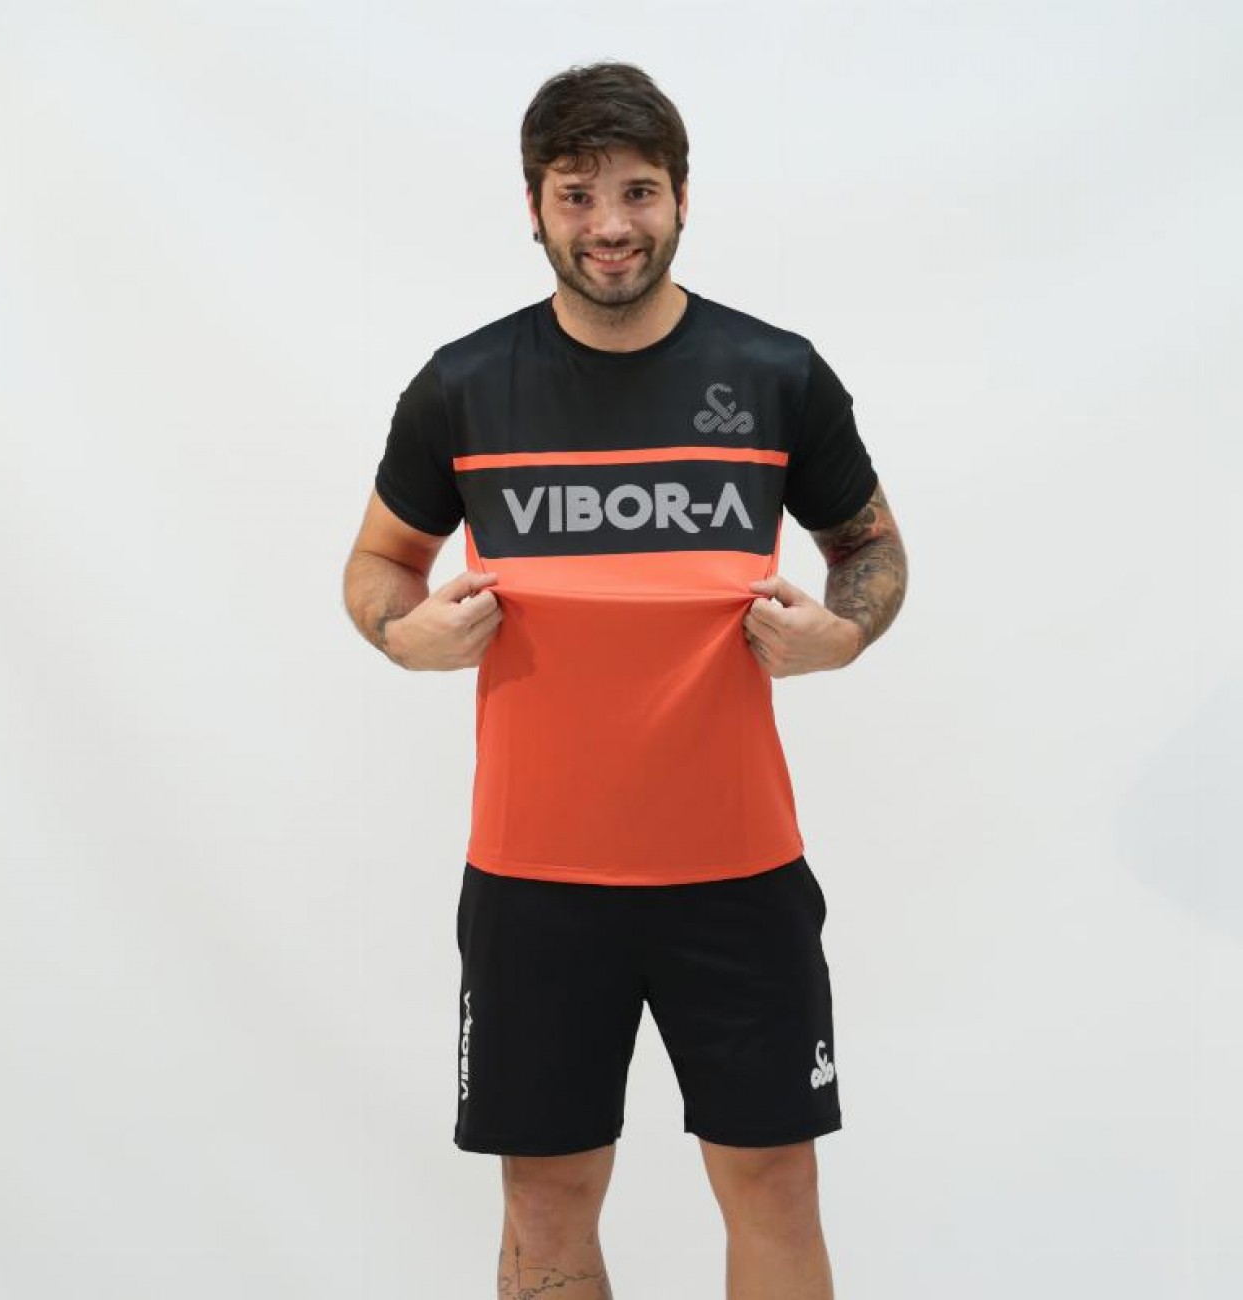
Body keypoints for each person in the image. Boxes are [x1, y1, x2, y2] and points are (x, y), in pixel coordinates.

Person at [343, 61, 907, 1300]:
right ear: (533, 207)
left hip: (739, 872)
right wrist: (401, 632)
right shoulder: (464, 386)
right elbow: (379, 564)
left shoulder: (775, 372)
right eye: (576, 193)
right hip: (535, 880)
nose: (609, 225)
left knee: (773, 1184)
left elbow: (869, 546)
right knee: (545, 1201)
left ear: (683, 197)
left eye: (637, 191)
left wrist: (847, 632)